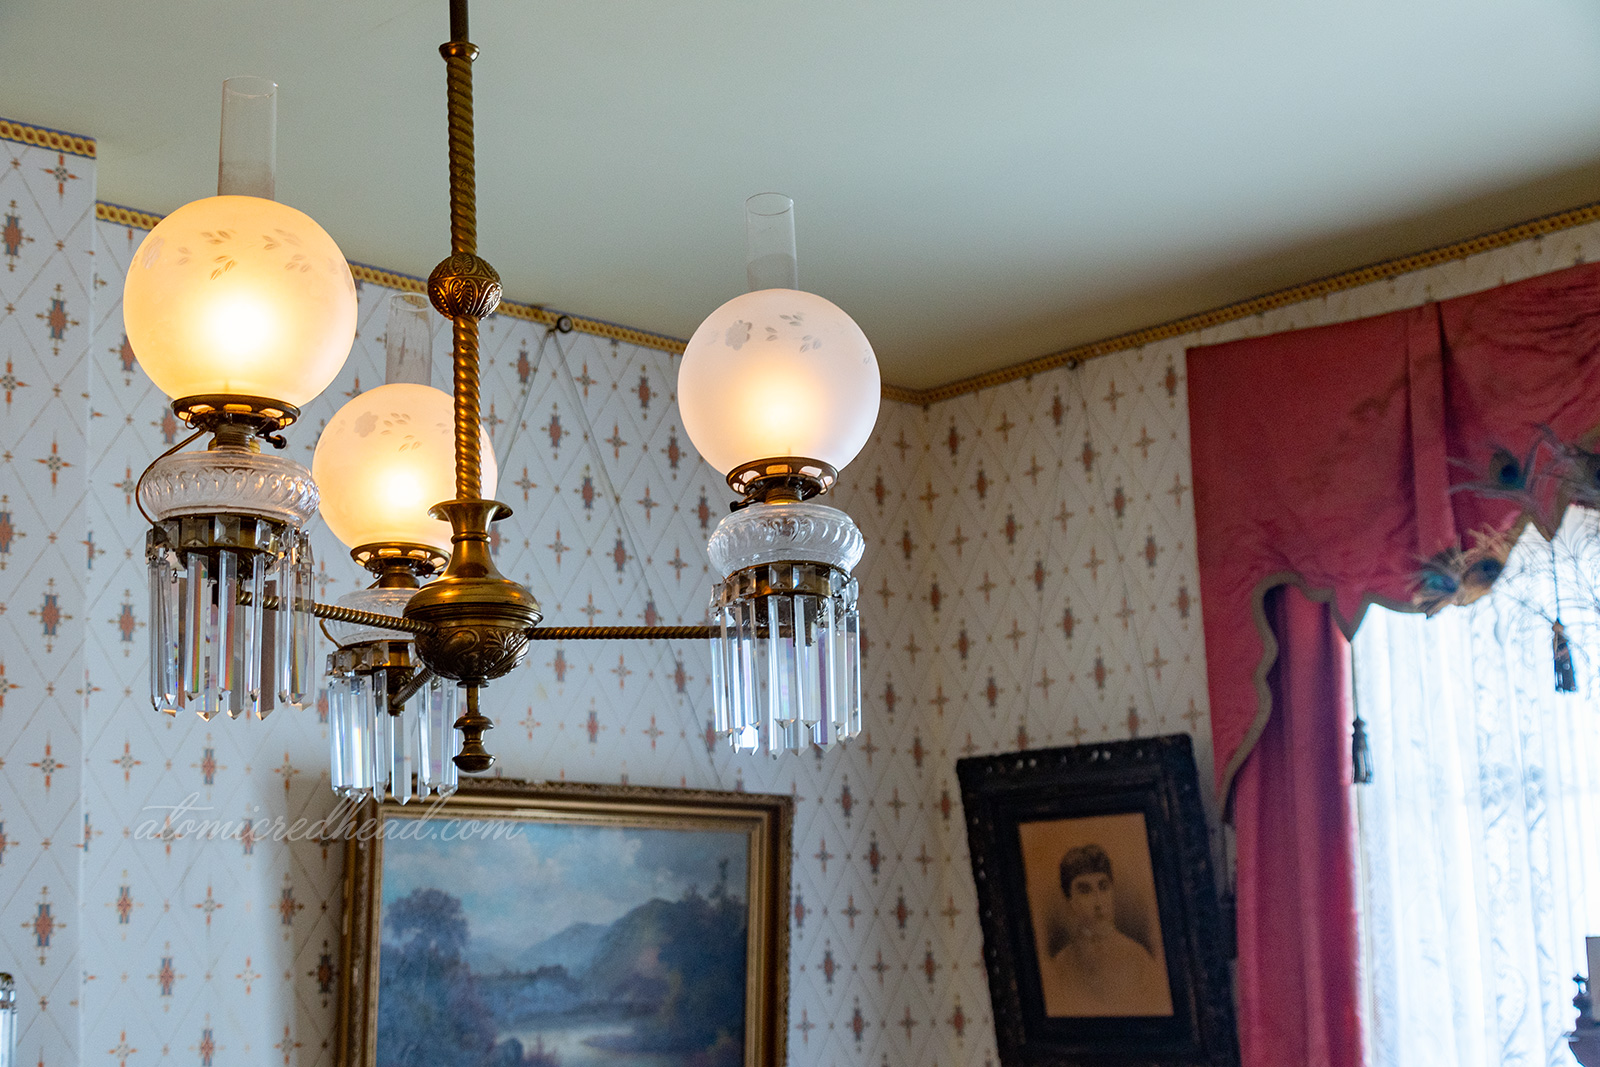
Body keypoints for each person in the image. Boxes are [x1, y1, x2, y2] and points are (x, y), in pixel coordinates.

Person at [1040, 844, 1173, 1018]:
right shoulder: (1059, 966)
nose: (1098, 902)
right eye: (1085, 891)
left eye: (1103, 887)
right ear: (1070, 900)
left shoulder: (1139, 959)